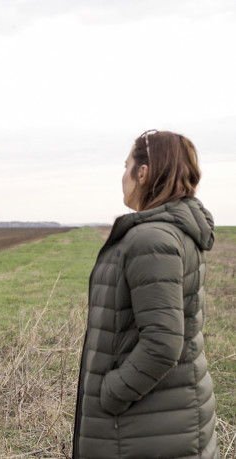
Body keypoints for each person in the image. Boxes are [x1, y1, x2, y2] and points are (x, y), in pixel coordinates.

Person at [73, 130, 218, 458]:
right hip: (167, 418)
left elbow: (163, 343)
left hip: (144, 429)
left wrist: (110, 394)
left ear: (143, 172)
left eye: (126, 166)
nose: (122, 176)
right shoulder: (173, 233)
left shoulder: (151, 240)